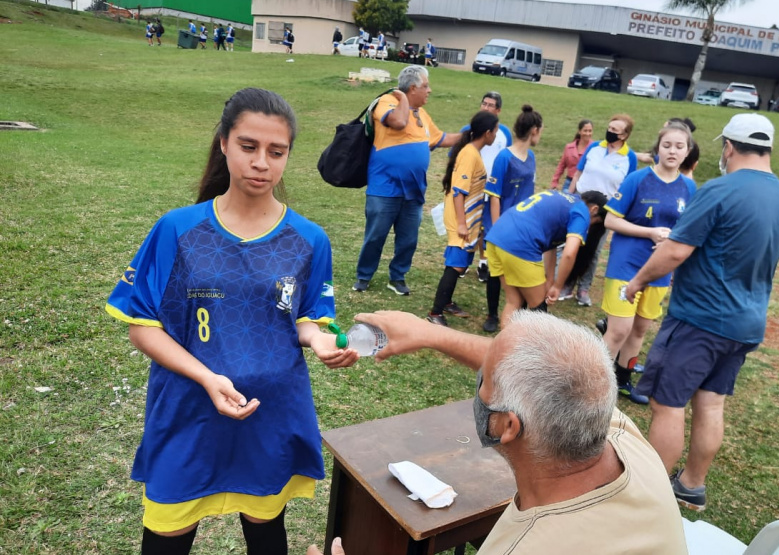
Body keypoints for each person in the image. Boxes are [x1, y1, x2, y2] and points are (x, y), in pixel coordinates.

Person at [105, 88, 358, 554]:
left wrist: (319, 340)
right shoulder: (177, 230)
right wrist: (206, 377)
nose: (262, 162)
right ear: (223, 144)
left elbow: (303, 318)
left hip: (269, 414)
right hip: (188, 412)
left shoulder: (309, 239)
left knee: (266, 534)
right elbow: (141, 325)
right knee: (165, 539)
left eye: (276, 152)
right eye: (249, 146)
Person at [351, 309, 688, 555]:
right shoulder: (622, 435)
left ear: (508, 426)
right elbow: (548, 368)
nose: (480, 382)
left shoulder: (523, 547)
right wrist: (431, 335)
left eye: (485, 380)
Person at [626, 113, 779, 511]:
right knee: (711, 402)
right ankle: (691, 485)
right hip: (746, 322)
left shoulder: (720, 189)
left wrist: (637, 282)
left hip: (700, 319)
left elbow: (675, 250)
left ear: (729, 147)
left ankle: (650, 495)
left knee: (666, 404)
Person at [599, 122, 696, 406]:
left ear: (687, 152)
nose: (672, 151)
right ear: (658, 148)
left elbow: (689, 229)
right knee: (619, 329)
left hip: (659, 271)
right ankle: (594, 383)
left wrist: (672, 243)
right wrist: (650, 232)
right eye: (667, 145)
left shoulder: (689, 187)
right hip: (626, 265)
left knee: (640, 329)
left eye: (679, 146)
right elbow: (610, 220)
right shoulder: (637, 179)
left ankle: (623, 380)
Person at [353, 65, 461, 295]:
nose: (429, 90)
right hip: (384, 188)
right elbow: (399, 122)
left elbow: (442, 138)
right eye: (425, 86)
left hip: (413, 191)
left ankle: (398, 277)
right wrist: (401, 97)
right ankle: (364, 276)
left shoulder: (421, 115)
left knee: (408, 239)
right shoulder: (387, 103)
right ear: (412, 88)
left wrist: (474, 132)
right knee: (375, 236)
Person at [486, 190, 609, 329]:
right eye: (595, 222)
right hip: (519, 244)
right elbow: (569, 253)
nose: (590, 226)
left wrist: (550, 279)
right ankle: (527, 349)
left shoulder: (562, 198)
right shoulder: (582, 212)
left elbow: (551, 245)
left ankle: (504, 349)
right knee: (538, 309)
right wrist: (558, 286)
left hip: (496, 237)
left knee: (514, 302)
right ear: (594, 209)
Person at [427, 111, 500, 326]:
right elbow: (459, 191)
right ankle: (435, 313)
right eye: (494, 131)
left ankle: (447, 302)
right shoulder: (470, 154)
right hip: (463, 219)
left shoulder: (472, 152)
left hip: (468, 219)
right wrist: (461, 223)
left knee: (460, 261)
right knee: (456, 265)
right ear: (487, 133)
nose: (495, 135)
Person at [564, 114, 637, 307]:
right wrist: (570, 196)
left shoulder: (629, 157)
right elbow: (578, 173)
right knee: (572, 242)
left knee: (594, 249)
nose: (610, 132)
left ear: (625, 135)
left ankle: (584, 287)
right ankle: (567, 283)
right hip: (581, 201)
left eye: (615, 130)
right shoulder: (594, 147)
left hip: (604, 210)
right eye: (609, 127)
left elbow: (627, 188)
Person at [481, 105, 542, 332]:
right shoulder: (504, 157)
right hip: (501, 224)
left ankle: (519, 312)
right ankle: (491, 315)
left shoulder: (532, 156)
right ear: (534, 130)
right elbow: (494, 196)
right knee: (497, 272)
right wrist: (497, 229)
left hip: (521, 225)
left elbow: (530, 192)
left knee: (517, 269)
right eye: (541, 131)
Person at [460, 92, 512, 284]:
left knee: (486, 227)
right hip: (471, 187)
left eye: (491, 105)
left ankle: (484, 261)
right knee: (468, 223)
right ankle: (463, 260)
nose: (487, 108)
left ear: (498, 110)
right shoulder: (469, 129)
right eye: (484, 104)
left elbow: (509, 159)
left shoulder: (504, 133)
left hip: (493, 189)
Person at [551, 119, 593, 193]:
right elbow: (561, 165)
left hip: (586, 185)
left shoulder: (594, 148)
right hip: (569, 182)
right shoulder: (569, 147)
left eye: (590, 131)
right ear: (579, 131)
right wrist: (555, 181)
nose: (588, 133)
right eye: (585, 130)